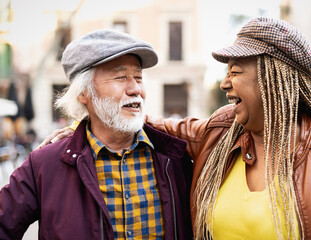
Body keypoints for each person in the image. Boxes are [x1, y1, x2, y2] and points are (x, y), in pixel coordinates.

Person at [40, 17, 311, 239]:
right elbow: (163, 127)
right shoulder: (221, 131)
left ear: (273, 78)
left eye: (236, 70)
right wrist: (87, 121)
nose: (225, 83)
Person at [0, 29, 193, 240]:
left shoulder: (175, 157)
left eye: (138, 77)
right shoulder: (45, 165)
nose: (135, 88)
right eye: (120, 77)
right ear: (84, 93)